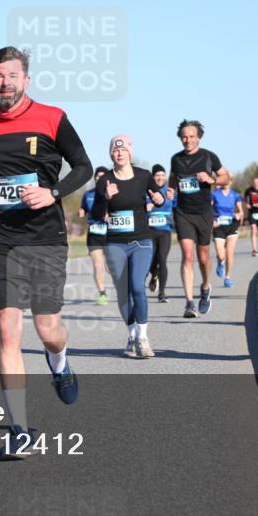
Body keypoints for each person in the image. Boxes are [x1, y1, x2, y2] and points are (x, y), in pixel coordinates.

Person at [0, 46, 92, 459]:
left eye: (13, 75)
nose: (6, 83)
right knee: (6, 330)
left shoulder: (52, 117)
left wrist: (51, 191)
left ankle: (61, 362)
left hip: (45, 236)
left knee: (48, 329)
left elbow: (84, 168)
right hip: (0, 237)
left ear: (27, 79)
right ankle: (19, 428)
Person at [92, 136, 165, 359]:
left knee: (137, 287)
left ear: (131, 152)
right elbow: (95, 214)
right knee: (123, 294)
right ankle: (132, 336)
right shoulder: (105, 181)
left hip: (141, 240)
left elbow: (158, 197)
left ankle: (142, 338)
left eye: (123, 149)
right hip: (115, 243)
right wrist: (105, 198)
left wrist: (160, 199)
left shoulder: (144, 176)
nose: (120, 153)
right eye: (115, 150)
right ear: (111, 154)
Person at [169, 119, 231, 318]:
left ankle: (205, 287)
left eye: (191, 137)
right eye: (184, 137)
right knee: (187, 256)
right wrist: (170, 191)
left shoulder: (209, 156)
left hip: (204, 212)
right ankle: (189, 303)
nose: (187, 140)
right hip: (183, 212)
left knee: (203, 257)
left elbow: (225, 177)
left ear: (199, 137)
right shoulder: (176, 159)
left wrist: (212, 179)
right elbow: (173, 181)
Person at [79, 166, 111, 305]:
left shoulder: (112, 194)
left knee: (111, 267)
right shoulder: (88, 194)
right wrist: (81, 211)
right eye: (97, 176)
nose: (99, 179)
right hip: (94, 234)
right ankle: (102, 293)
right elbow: (83, 209)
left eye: (102, 176)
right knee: (98, 265)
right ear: (95, 178)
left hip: (111, 235)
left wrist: (111, 215)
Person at [146, 164, 175, 303]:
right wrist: (147, 207)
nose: (160, 178)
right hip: (149, 231)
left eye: (163, 175)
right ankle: (154, 274)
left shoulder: (170, 192)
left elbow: (179, 207)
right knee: (150, 261)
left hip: (165, 231)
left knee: (162, 259)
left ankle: (162, 293)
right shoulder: (146, 192)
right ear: (153, 177)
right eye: (157, 175)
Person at [211, 179, 244, 288]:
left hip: (232, 225)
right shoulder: (214, 194)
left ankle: (227, 277)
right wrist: (212, 221)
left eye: (228, 180)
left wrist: (239, 215)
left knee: (230, 253)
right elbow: (208, 208)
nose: (226, 182)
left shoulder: (235, 195)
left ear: (230, 181)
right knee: (221, 255)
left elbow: (241, 211)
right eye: (223, 180)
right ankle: (220, 262)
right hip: (218, 227)